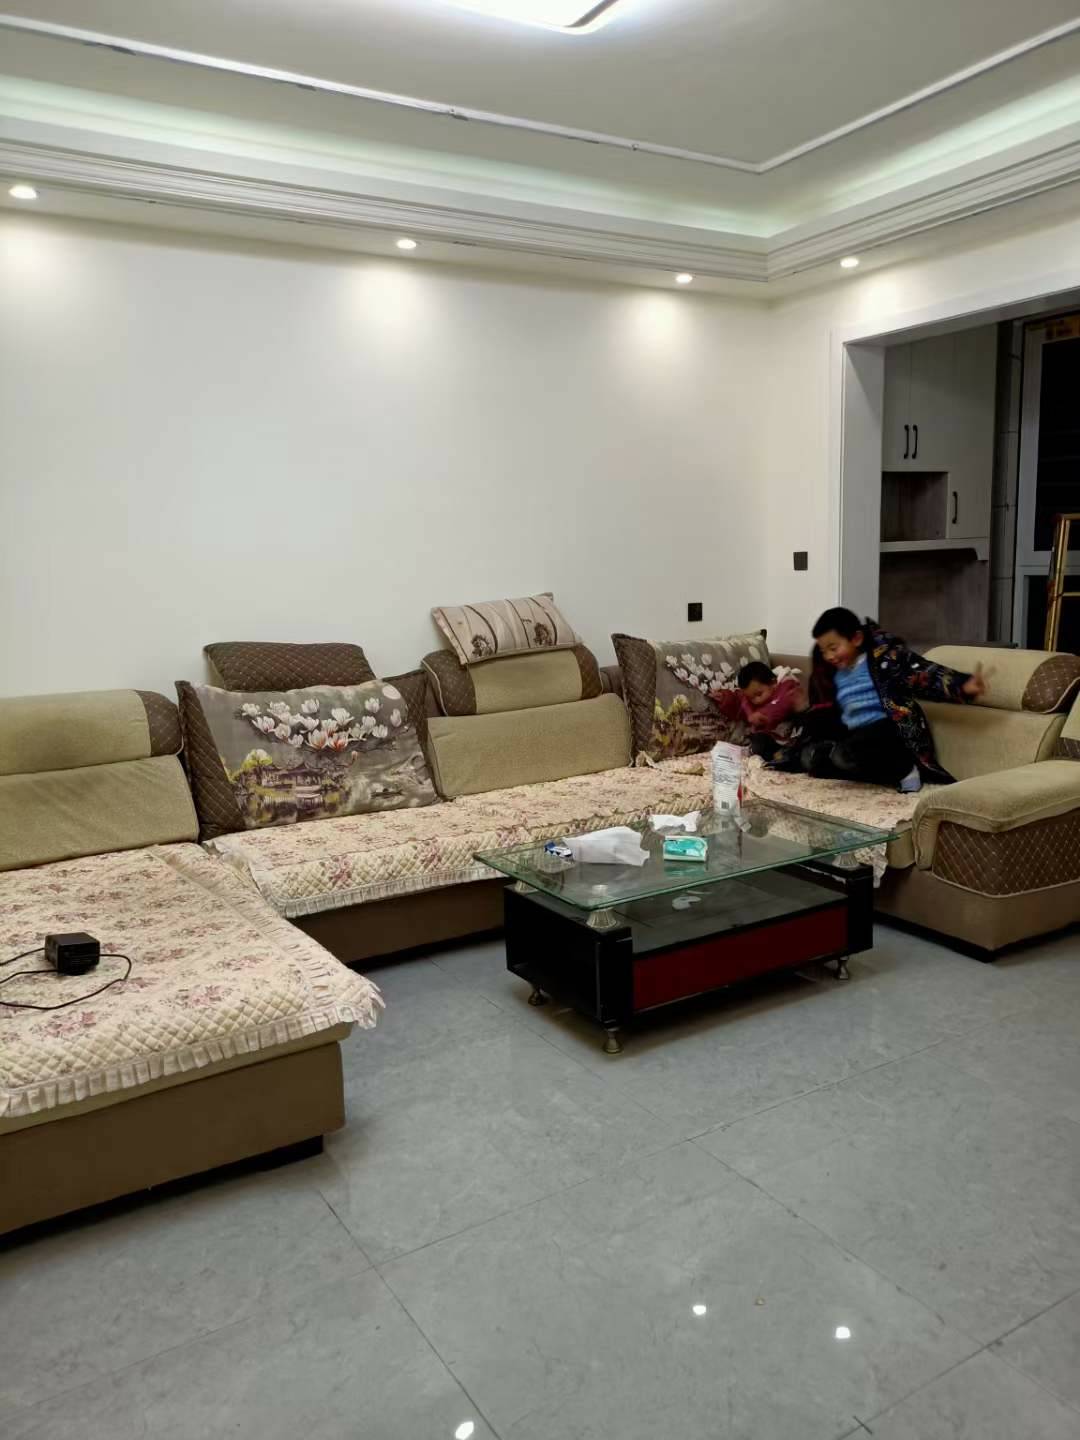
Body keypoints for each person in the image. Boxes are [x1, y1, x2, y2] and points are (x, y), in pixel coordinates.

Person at [794, 607, 988, 792]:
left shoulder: (886, 659)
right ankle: (869, 771)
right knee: (812, 758)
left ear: (856, 638)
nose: (829, 656)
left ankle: (906, 769)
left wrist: (962, 685)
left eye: (833, 648)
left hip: (888, 730)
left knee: (845, 753)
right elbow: (828, 710)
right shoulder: (834, 674)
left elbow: (922, 674)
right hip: (855, 736)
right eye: (823, 651)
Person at [735, 660, 802, 759]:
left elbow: (782, 705)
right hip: (769, 739)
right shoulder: (752, 696)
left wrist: (763, 714)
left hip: (791, 738)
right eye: (751, 698)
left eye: (759, 694)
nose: (756, 701)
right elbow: (741, 702)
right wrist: (725, 698)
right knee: (758, 743)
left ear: (773, 683)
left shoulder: (786, 686)